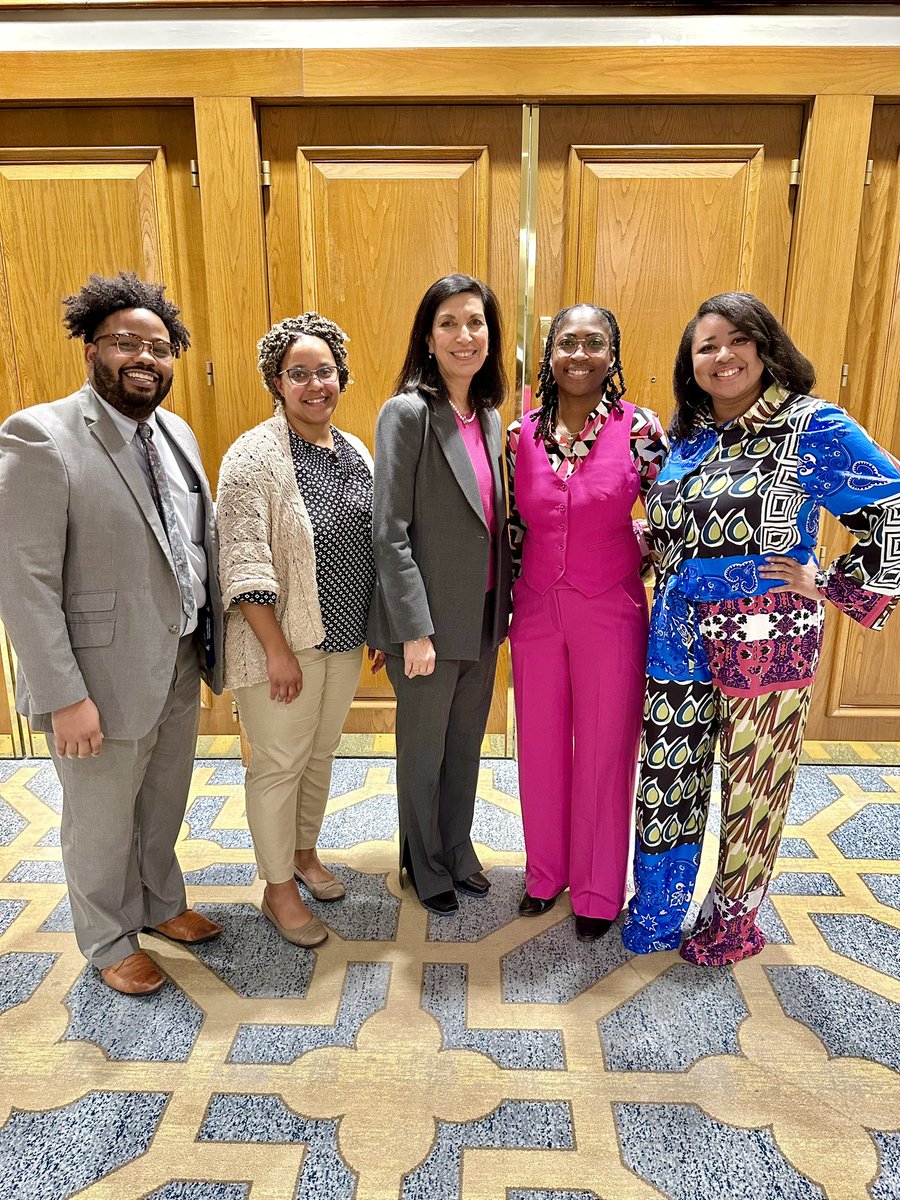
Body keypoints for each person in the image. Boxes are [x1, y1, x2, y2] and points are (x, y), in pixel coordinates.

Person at [622, 291, 900, 966]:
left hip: (766, 636)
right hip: (676, 632)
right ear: (691, 363)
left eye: (737, 340)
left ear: (766, 347)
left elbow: (892, 510)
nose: (723, 356)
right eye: (706, 346)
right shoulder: (687, 438)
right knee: (669, 777)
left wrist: (829, 581)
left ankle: (732, 924)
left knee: (753, 785)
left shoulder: (814, 427)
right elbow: (672, 525)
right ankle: (657, 911)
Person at [0, 271, 224, 995]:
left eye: (159, 347)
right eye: (126, 342)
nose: (145, 358)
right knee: (99, 818)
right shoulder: (40, 435)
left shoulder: (177, 432)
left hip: (179, 656)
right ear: (91, 349)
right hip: (96, 673)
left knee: (163, 797)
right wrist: (63, 696)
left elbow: (191, 542)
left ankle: (159, 903)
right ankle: (105, 936)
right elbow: (22, 580)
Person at [217, 313, 382, 948]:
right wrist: (276, 649)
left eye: (326, 372)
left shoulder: (354, 451)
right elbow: (245, 558)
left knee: (319, 753)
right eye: (299, 374)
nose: (315, 384)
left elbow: (366, 547)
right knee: (279, 762)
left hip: (342, 635)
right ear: (276, 382)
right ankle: (277, 888)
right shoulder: (253, 456)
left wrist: (372, 625)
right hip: (279, 643)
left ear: (341, 376)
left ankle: (304, 854)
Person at [507, 304, 667, 941]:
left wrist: (642, 548)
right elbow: (510, 525)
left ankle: (599, 889)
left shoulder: (641, 427)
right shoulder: (520, 433)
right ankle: (545, 875)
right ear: (549, 354)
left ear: (612, 354)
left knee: (605, 748)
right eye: (566, 343)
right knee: (540, 745)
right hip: (537, 607)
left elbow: (670, 504)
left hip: (612, 607)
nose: (579, 355)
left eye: (593, 344)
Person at [368, 274, 512, 914]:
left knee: (463, 747)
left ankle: (457, 847)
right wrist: (413, 630)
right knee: (423, 754)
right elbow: (390, 531)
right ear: (428, 337)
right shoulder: (408, 414)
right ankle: (423, 864)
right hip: (426, 622)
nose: (464, 336)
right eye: (449, 323)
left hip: (481, 615)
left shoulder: (488, 415)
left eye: (475, 322)